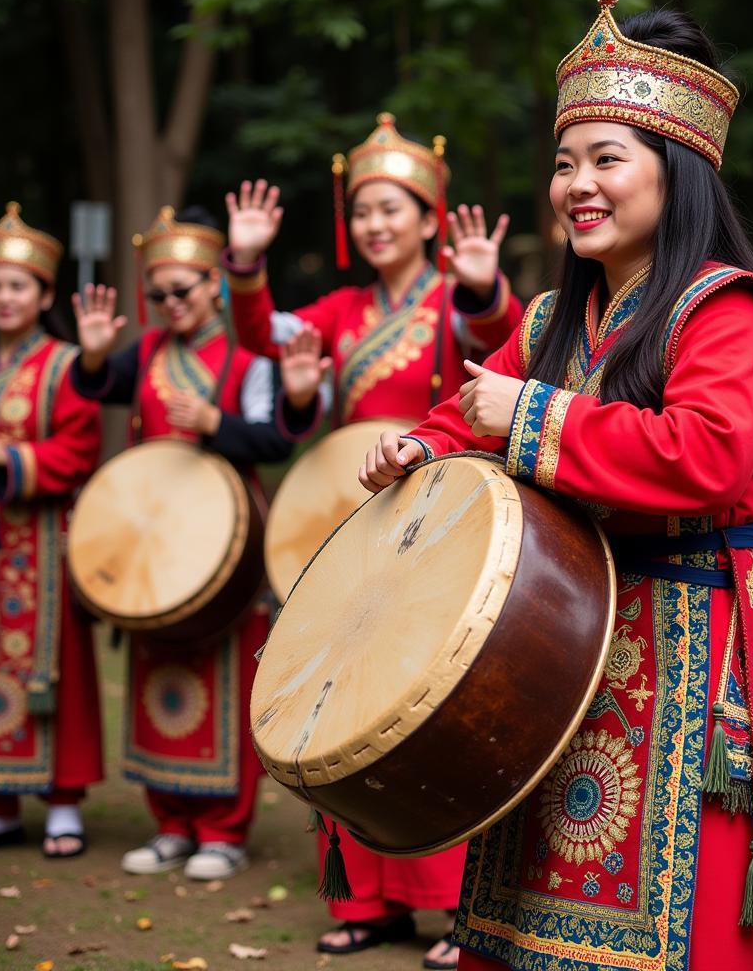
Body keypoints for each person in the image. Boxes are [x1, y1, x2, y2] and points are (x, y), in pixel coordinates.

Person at [357, 0, 753, 971]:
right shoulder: (548, 320)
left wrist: (531, 419)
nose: (576, 184)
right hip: (553, 649)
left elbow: (703, 452)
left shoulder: (728, 312)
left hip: (690, 648)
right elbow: (470, 406)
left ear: (680, 172)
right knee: (537, 913)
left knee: (681, 926)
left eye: (606, 159)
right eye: (563, 162)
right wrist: (418, 446)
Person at [222, 117, 522, 969]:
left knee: (435, 703)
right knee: (342, 697)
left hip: (442, 518)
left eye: (392, 208)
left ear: (430, 217)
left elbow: (491, 340)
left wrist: (481, 288)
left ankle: (460, 908)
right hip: (356, 520)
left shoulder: (449, 296)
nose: (375, 224)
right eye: (363, 212)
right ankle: (365, 900)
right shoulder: (341, 310)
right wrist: (245, 265)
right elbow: (262, 339)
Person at [68, 205, 292, 880]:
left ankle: (224, 829)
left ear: (214, 284)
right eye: (158, 294)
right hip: (155, 548)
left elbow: (278, 436)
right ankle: (170, 823)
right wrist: (96, 353)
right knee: (154, 677)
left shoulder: (251, 353)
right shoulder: (147, 353)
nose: (171, 305)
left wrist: (219, 423)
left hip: (227, 547)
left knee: (225, 683)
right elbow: (98, 385)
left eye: (183, 290)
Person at [0, 203, 102, 858]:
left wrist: (6, 461)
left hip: (43, 539)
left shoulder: (65, 366)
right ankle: (1, 799)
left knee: (54, 670)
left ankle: (63, 803)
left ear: (42, 294)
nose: (2, 298)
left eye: (14, 286)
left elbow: (78, 448)